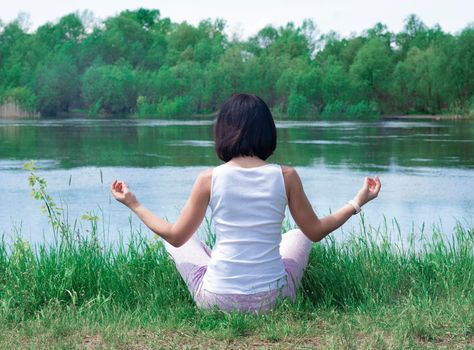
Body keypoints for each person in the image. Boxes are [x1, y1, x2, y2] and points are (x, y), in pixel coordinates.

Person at [111, 93, 381, 313]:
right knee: (299, 234)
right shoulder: (286, 176)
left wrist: (134, 203)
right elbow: (315, 231)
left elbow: (176, 236)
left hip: (216, 300)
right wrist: (358, 201)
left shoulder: (209, 179)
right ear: (268, 131)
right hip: (274, 300)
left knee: (182, 242)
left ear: (223, 131)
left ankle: (218, 265)